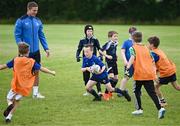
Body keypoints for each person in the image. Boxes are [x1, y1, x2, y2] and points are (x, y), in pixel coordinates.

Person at [0, 42, 55, 123]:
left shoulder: (15, 60)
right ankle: (9, 117)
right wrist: (51, 72)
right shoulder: (31, 61)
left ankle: (9, 105)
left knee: (9, 98)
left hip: (16, 85)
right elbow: (41, 68)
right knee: (17, 102)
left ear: (19, 52)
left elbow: (4, 66)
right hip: (25, 87)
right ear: (28, 51)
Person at [14, 1, 50, 98]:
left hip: (36, 52)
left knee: (36, 71)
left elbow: (41, 35)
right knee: (22, 72)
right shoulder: (21, 21)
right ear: (28, 9)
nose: (35, 12)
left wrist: (46, 48)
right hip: (25, 52)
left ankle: (35, 93)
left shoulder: (38, 21)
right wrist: (21, 46)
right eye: (34, 10)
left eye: (37, 10)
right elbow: (17, 36)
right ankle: (17, 92)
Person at [126, 31, 165, 119]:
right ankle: (160, 108)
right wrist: (154, 74)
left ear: (133, 39)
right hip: (148, 74)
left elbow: (132, 57)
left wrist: (128, 66)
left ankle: (139, 109)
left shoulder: (132, 48)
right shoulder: (147, 48)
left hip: (139, 74)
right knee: (152, 93)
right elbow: (152, 61)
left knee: (136, 91)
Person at [148, 36, 180, 106]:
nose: (148, 45)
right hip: (171, 70)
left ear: (152, 45)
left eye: (149, 44)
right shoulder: (159, 50)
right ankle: (162, 102)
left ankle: (162, 102)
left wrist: (155, 75)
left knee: (155, 87)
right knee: (177, 87)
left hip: (166, 73)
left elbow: (152, 65)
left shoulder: (154, 54)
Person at [100, 31, 130, 101]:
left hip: (114, 62)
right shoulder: (108, 43)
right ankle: (106, 94)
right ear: (110, 37)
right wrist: (106, 55)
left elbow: (114, 50)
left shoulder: (116, 43)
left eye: (117, 36)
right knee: (111, 78)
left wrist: (115, 55)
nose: (116, 37)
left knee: (116, 79)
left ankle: (110, 92)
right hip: (109, 63)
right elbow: (100, 50)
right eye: (114, 36)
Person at [76, 24, 101, 96]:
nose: (90, 32)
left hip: (94, 60)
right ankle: (88, 91)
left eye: (91, 31)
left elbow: (99, 48)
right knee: (86, 77)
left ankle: (99, 91)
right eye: (88, 31)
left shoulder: (95, 40)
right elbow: (79, 49)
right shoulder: (82, 40)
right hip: (86, 61)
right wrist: (77, 56)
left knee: (96, 75)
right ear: (85, 32)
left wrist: (101, 55)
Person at [119, 27, 137, 97]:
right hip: (129, 64)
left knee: (137, 78)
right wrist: (125, 61)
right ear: (129, 33)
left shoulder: (137, 42)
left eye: (135, 33)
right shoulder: (126, 42)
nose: (133, 35)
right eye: (132, 33)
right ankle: (121, 91)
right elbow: (122, 52)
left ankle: (137, 91)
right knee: (126, 77)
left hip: (136, 63)